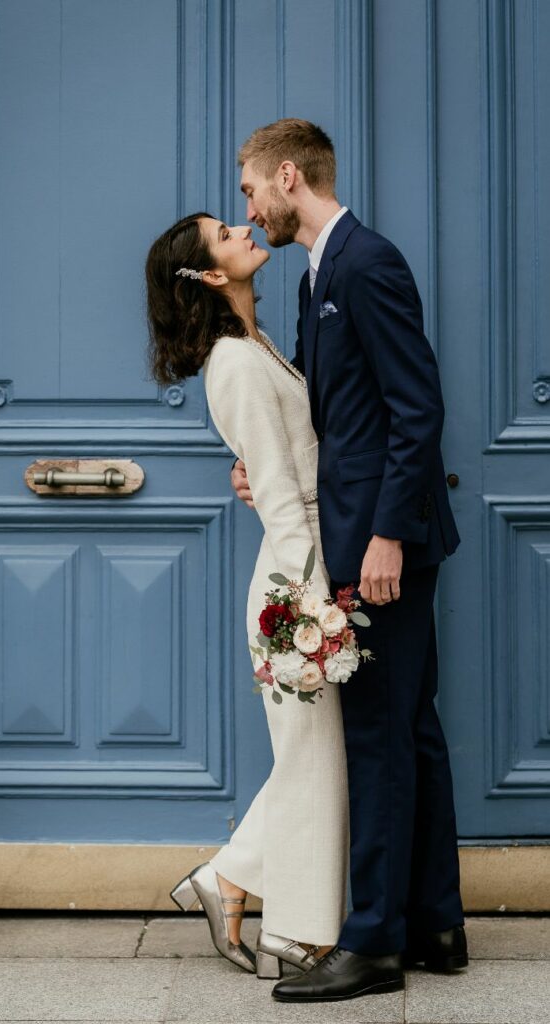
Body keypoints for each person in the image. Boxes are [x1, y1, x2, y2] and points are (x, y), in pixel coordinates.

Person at [230, 118, 468, 1002]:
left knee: (375, 735)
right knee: (411, 728)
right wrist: (274, 473)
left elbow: (417, 407)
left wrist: (383, 537)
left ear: (289, 177)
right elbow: (339, 412)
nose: (249, 212)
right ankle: (435, 924)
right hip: (367, 529)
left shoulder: (366, 262)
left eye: (252, 192)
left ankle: (370, 942)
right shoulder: (315, 274)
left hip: (381, 546)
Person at [145, 212, 350, 979]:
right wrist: (311, 603)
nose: (242, 227)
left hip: (305, 568)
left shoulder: (258, 345)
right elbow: (276, 490)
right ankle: (291, 927)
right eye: (224, 232)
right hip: (293, 584)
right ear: (208, 274)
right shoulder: (232, 362)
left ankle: (233, 882)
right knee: (312, 759)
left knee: (312, 758)